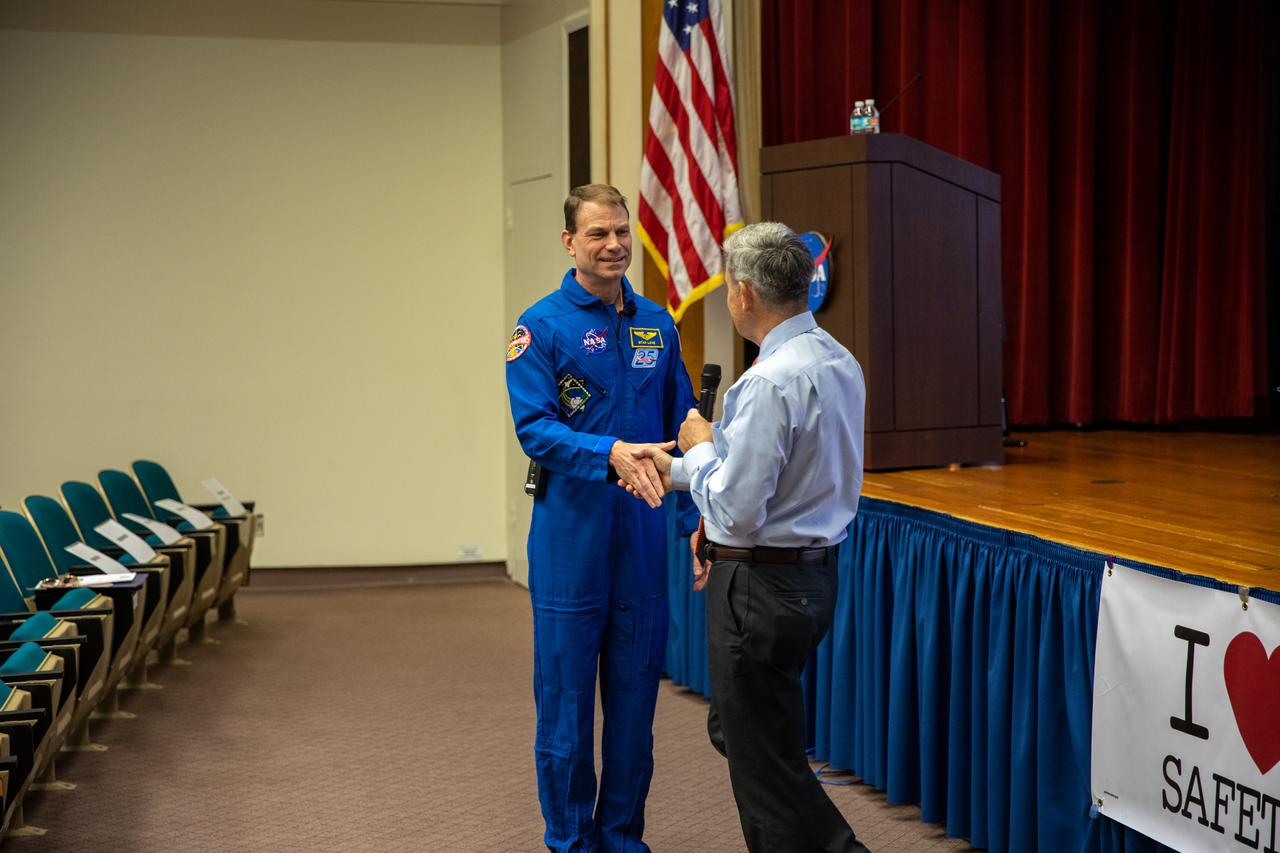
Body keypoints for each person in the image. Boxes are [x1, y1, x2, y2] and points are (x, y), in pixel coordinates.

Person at [620, 221, 870, 852]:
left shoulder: (767, 382)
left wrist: (700, 448)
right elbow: (766, 479)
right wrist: (671, 470)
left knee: (762, 761)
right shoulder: (839, 359)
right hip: (810, 575)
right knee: (750, 738)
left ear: (742, 294)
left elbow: (734, 509)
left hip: (761, 582)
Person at [505, 183, 699, 852]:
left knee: (634, 707)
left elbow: (685, 416)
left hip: (642, 542)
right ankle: (569, 840)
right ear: (569, 242)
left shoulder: (657, 323)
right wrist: (609, 452)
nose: (614, 244)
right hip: (570, 541)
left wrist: (697, 521)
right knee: (564, 710)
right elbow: (535, 429)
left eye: (621, 231)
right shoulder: (541, 326)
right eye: (597, 234)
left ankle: (621, 837)